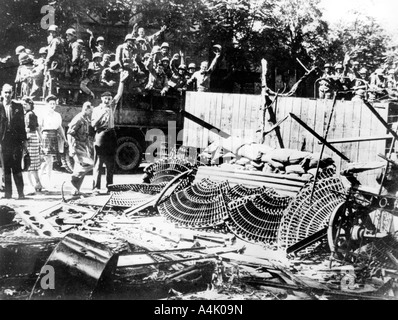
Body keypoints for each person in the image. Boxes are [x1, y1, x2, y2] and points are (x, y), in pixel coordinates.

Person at [91, 70, 129, 195]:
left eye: (109, 99)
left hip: (111, 135)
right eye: (105, 99)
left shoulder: (112, 106)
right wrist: (102, 113)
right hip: (101, 135)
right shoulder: (96, 109)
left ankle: (110, 187)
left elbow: (119, 94)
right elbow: (93, 124)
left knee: (110, 163)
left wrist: (122, 81)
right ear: (101, 99)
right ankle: (96, 188)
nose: (107, 100)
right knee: (98, 163)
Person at [0, 84, 27, 199]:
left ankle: (21, 194)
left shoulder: (18, 107)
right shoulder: (0, 107)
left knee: (17, 167)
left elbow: (22, 125)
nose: (7, 95)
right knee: (5, 168)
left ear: (12, 93)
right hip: (3, 142)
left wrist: (24, 142)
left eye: (9, 92)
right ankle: (8, 194)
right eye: (5, 92)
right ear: (1, 93)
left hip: (16, 142)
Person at [38, 94, 67, 189]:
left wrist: (64, 138)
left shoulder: (57, 115)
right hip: (46, 136)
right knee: (48, 160)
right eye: (50, 104)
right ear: (47, 104)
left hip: (54, 136)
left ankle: (41, 180)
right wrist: (40, 139)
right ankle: (43, 181)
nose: (52, 106)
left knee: (49, 161)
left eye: (54, 104)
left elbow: (59, 128)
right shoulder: (43, 114)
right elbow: (39, 127)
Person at [67, 101, 94, 195]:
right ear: (86, 109)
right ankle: (74, 177)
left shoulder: (85, 119)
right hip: (77, 146)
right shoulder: (78, 119)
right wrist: (71, 148)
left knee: (79, 167)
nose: (91, 112)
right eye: (90, 110)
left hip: (82, 146)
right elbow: (70, 133)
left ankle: (75, 190)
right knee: (90, 164)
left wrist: (88, 146)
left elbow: (86, 135)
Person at [21, 97, 43, 194]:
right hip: (34, 139)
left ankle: (31, 186)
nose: (24, 106)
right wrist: (41, 139)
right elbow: (38, 128)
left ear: (30, 104)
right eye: (23, 104)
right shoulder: (33, 114)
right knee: (33, 164)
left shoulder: (29, 115)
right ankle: (37, 183)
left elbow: (28, 129)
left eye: (25, 104)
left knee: (29, 164)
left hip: (29, 138)